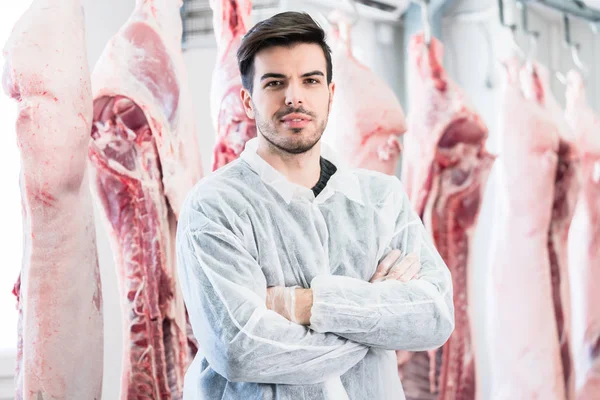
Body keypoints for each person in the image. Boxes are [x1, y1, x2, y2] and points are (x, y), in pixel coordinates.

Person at [176, 11, 454, 400]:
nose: (295, 97)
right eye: (275, 83)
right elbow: (240, 349)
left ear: (330, 93)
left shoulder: (381, 198)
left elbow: (434, 317)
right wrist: (375, 319)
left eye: (310, 80)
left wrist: (303, 304)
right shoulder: (214, 207)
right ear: (247, 100)